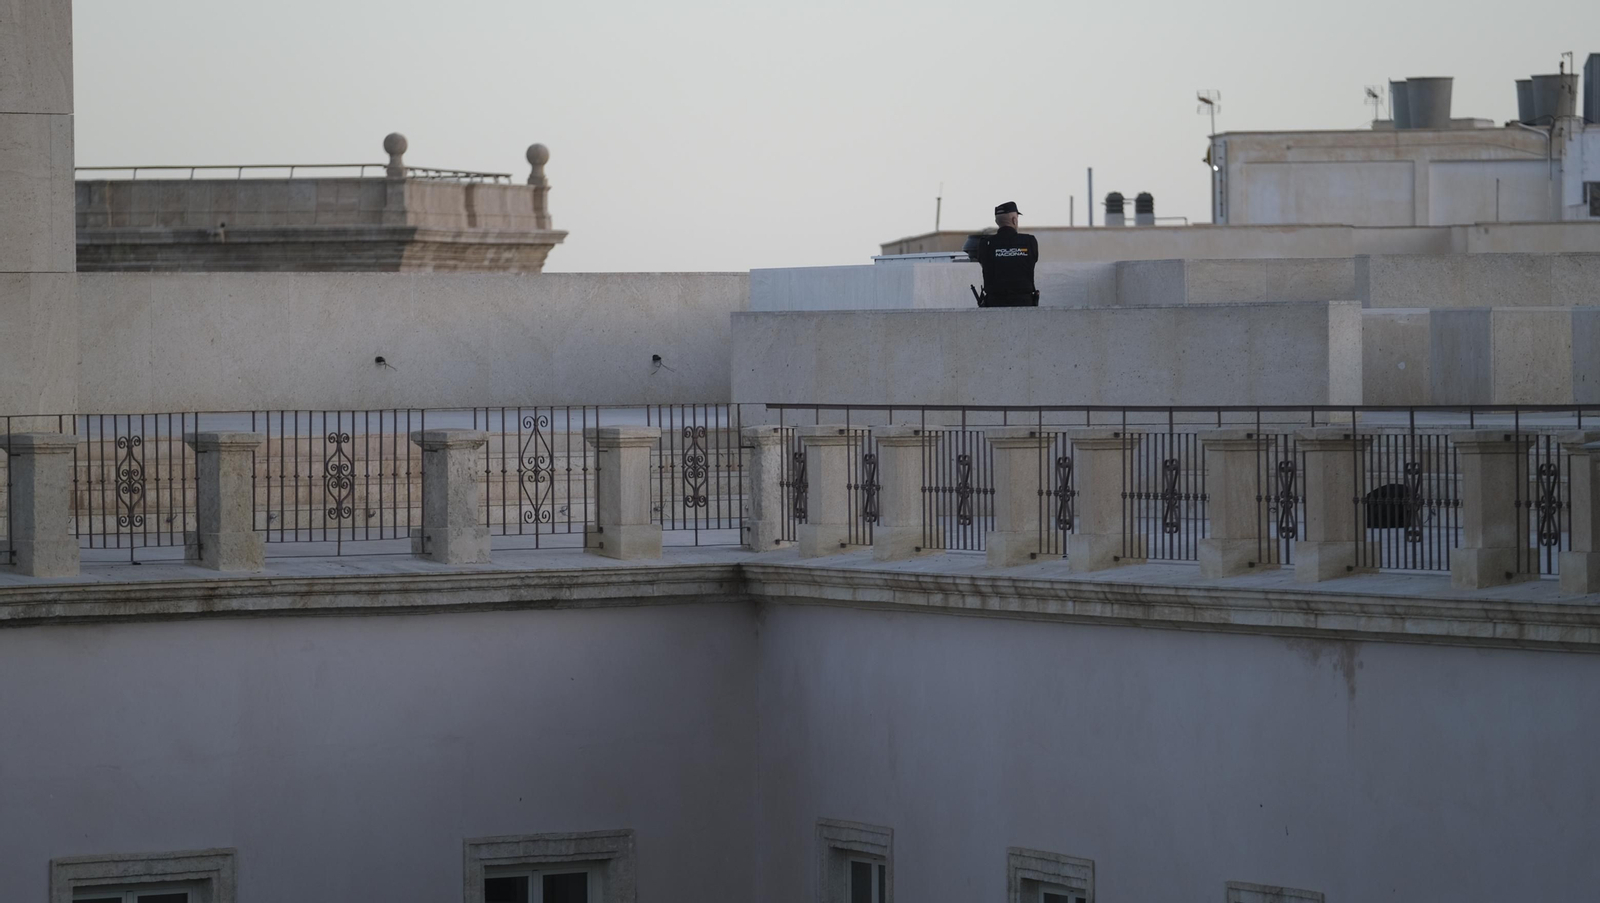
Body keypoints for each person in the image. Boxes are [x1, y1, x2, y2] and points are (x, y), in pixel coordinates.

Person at [963, 201, 1040, 307]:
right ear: (1014, 220)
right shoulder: (1029, 241)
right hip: (1024, 302)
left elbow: (983, 262)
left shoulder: (985, 243)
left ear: (996, 221)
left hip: (995, 303)